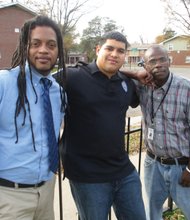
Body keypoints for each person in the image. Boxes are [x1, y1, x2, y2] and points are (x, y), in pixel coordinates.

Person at [61, 31, 146, 220]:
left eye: (120, 51)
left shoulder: (126, 83)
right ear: (98, 49)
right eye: (109, 48)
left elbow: (139, 96)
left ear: (125, 55)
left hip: (123, 170)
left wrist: (132, 73)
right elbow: (37, 80)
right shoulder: (72, 77)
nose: (115, 54)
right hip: (87, 175)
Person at [0, 16, 66, 220]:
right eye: (36, 43)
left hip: (47, 192)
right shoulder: (4, 83)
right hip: (10, 196)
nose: (44, 50)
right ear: (25, 47)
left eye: (51, 45)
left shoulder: (58, 92)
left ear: (58, 51)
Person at [136, 44, 190, 220]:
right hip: (153, 164)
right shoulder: (142, 86)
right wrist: (136, 74)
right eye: (152, 61)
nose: (158, 64)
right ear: (145, 66)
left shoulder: (186, 89)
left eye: (162, 59)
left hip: (181, 166)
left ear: (169, 61)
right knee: (152, 212)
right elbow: (116, 73)